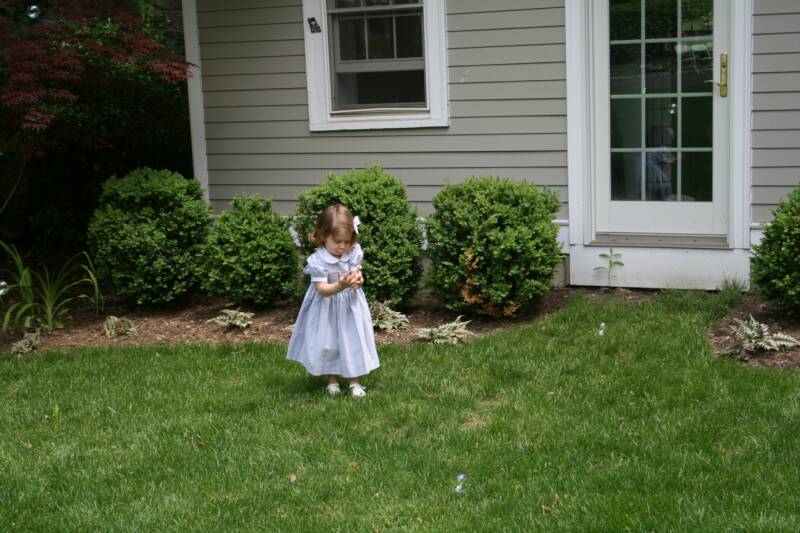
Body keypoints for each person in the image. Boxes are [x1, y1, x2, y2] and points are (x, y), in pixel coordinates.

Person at [286, 204, 379, 397]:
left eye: (347, 241)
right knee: (329, 342)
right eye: (337, 241)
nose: (343, 246)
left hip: (350, 307)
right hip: (326, 308)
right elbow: (322, 289)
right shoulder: (318, 260)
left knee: (352, 339)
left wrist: (358, 280)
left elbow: (357, 273)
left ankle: (354, 382)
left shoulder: (352, 253)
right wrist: (341, 285)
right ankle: (332, 380)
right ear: (323, 236)